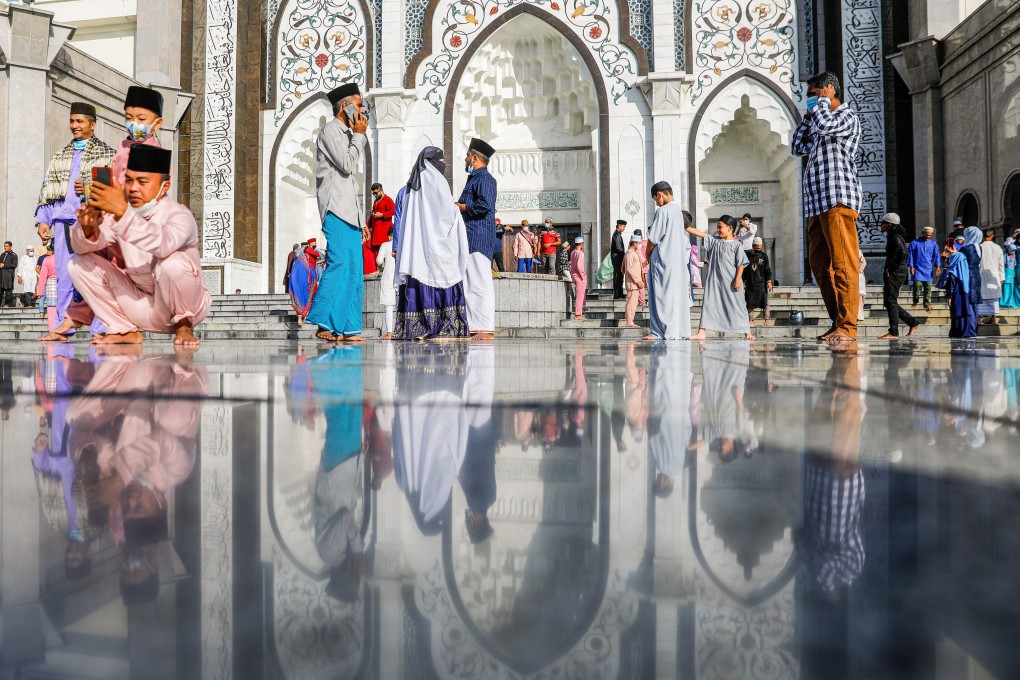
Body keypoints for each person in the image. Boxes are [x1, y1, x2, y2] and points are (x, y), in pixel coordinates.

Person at [51, 145, 210, 346]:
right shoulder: (120, 214)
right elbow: (83, 248)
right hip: (143, 307)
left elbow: (163, 244)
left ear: (165, 186)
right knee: (78, 263)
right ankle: (123, 330)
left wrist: (122, 213)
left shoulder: (179, 215)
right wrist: (87, 228)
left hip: (188, 308)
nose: (133, 188)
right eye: (129, 180)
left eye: (142, 182)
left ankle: (184, 327)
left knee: (171, 262)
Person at [792, 71, 863, 345]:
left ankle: (848, 326)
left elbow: (824, 127)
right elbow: (797, 147)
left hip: (837, 198)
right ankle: (838, 322)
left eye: (814, 94)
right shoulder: (818, 119)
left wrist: (821, 107)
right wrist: (808, 115)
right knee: (819, 264)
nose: (810, 100)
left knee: (843, 262)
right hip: (816, 202)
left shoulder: (846, 116)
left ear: (830, 90)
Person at [34, 103, 116, 337]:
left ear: (92, 124)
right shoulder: (60, 156)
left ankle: (101, 328)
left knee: (98, 275)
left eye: (80, 121)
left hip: (93, 223)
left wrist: (88, 188)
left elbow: (111, 193)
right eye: (72, 121)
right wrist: (44, 220)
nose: (75, 126)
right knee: (64, 274)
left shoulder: (107, 155)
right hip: (64, 223)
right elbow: (47, 189)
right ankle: (62, 326)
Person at [306, 83, 370, 342]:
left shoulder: (348, 133)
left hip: (349, 213)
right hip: (335, 210)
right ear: (346, 106)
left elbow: (351, 184)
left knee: (355, 268)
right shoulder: (331, 130)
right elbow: (346, 165)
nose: (363, 109)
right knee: (340, 263)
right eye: (359, 103)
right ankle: (324, 322)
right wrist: (359, 136)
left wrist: (360, 218)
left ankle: (351, 327)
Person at [393, 147, 470, 340]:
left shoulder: (411, 186)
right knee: (442, 277)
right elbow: (445, 212)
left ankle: (417, 327)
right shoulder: (437, 180)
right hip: (435, 245)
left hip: (417, 249)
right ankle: (443, 326)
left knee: (420, 276)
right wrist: (456, 212)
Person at [455, 138, 498, 339]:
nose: (465, 159)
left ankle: (485, 328)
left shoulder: (485, 179)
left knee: (480, 283)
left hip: (479, 237)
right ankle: (476, 327)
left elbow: (485, 205)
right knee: (471, 284)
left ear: (474, 158)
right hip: (470, 237)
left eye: (467, 156)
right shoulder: (474, 179)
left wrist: (462, 207)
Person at [685, 215, 753, 341]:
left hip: (732, 282)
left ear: (730, 228)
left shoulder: (737, 245)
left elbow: (741, 264)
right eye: (717, 227)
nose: (718, 229)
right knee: (708, 304)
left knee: (738, 305)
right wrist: (685, 226)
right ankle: (701, 331)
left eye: (720, 227)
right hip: (714, 282)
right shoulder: (714, 241)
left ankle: (746, 331)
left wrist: (737, 279)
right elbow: (700, 233)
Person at [644, 182, 692, 340]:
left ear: (660, 194)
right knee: (674, 296)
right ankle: (676, 331)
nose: (657, 203)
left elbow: (653, 238)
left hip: (663, 260)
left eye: (655, 199)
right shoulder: (678, 211)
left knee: (660, 295)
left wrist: (647, 254)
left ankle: (659, 332)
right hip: (676, 263)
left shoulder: (663, 211)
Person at [877, 213, 922, 339]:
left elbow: (902, 254)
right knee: (889, 301)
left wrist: (891, 267)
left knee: (890, 300)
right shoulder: (893, 236)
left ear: (890, 225)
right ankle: (912, 322)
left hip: (896, 272)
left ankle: (894, 332)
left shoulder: (895, 238)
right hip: (895, 271)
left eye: (884, 223)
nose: (882, 225)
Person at [112, 86, 164, 186]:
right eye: (128, 118)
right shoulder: (122, 146)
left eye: (141, 119)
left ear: (157, 123)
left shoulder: (158, 155)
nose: (133, 123)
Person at [946, 227, 983, 338]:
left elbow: (959, 260)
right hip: (976, 277)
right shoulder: (978, 247)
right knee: (973, 305)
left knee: (968, 306)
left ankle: (969, 330)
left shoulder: (966, 248)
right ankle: (973, 329)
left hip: (966, 278)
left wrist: (952, 253)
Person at [907, 226, 940, 311]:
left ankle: (927, 304)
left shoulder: (933, 244)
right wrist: (911, 266)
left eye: (930, 235)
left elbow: (936, 256)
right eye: (927, 234)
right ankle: (915, 301)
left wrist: (938, 267)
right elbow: (910, 255)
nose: (928, 237)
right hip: (917, 268)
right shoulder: (914, 243)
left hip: (928, 269)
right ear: (922, 233)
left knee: (928, 287)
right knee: (917, 285)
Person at [287, 240, 318, 325]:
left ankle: (302, 317)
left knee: (303, 299)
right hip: (303, 284)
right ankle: (303, 317)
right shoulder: (304, 263)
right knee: (304, 298)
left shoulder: (300, 264)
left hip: (303, 284)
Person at [978, 229, 1004, 325]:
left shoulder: (979, 247)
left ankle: (979, 319)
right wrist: (1001, 277)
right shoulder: (997, 247)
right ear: (992, 236)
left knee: (981, 296)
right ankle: (993, 318)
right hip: (994, 275)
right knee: (993, 298)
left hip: (981, 274)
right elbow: (1001, 264)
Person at [743, 237, 773, 323]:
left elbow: (767, 269)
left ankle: (766, 320)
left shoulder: (764, 256)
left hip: (761, 283)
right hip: (750, 283)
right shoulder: (747, 256)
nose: (759, 250)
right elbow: (743, 270)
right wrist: (742, 281)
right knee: (750, 303)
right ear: (752, 246)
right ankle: (750, 320)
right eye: (757, 248)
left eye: (760, 248)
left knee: (765, 302)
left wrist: (769, 281)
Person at [376, 227, 397, 339]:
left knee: (389, 306)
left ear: (389, 236)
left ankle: (389, 333)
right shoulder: (403, 244)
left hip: (388, 277)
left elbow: (379, 261)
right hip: (401, 277)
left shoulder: (385, 245)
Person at [367, 183, 395, 261]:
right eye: (373, 193)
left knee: (383, 250)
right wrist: (365, 226)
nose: (375, 195)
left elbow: (393, 211)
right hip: (376, 230)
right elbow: (372, 216)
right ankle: (378, 269)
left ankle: (383, 269)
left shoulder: (387, 199)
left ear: (381, 190)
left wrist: (382, 214)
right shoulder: (376, 201)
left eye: (376, 193)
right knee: (375, 251)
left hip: (384, 230)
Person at [623, 234, 643, 328]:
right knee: (631, 303)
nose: (639, 245)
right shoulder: (630, 253)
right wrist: (638, 280)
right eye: (638, 243)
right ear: (634, 243)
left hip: (633, 283)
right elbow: (628, 269)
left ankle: (630, 321)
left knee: (633, 303)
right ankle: (629, 322)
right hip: (632, 283)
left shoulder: (632, 253)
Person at [37, 244, 58, 330]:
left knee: (52, 308)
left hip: (51, 284)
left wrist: (40, 291)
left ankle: (52, 330)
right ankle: (64, 330)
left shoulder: (47, 259)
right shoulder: (66, 258)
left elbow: (42, 276)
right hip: (64, 284)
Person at [569, 236, 588, 320]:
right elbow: (579, 267)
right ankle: (578, 314)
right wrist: (583, 275)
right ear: (581, 244)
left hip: (573, 275)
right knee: (580, 295)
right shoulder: (580, 253)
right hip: (579, 276)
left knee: (581, 294)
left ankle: (582, 309)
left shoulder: (573, 252)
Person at [611, 219, 627, 299]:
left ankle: (619, 293)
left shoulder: (617, 234)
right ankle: (617, 294)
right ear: (619, 226)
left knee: (620, 275)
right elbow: (618, 248)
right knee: (618, 276)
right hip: (617, 258)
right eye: (623, 226)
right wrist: (624, 254)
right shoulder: (617, 235)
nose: (624, 228)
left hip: (617, 258)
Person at [1003, 231, 1019, 308]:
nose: (1013, 253)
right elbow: (1007, 244)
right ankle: (1005, 302)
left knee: (1012, 287)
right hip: (1006, 272)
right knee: (1006, 287)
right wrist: (1013, 236)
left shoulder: (1013, 257)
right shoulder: (1005, 256)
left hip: (1012, 272)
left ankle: (1010, 301)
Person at [0, 241, 17, 308]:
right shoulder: (2, 254)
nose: (5, 247)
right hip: (1, 275)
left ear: (10, 246)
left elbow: (14, 265)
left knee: (8, 291)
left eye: (6, 246)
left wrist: (4, 265)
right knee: (0, 291)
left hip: (9, 276)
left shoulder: (13, 255)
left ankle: (7, 304)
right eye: (4, 246)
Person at [857, 250, 868, 321]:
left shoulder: (856, 250)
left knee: (859, 297)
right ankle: (859, 316)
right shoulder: (857, 249)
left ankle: (858, 316)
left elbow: (864, 262)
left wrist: (859, 270)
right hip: (859, 275)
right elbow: (864, 262)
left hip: (857, 276)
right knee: (860, 297)